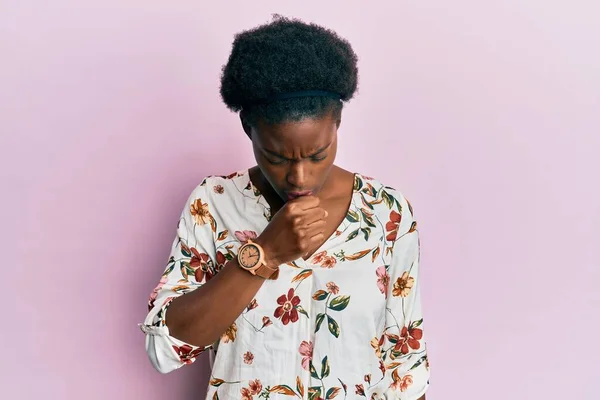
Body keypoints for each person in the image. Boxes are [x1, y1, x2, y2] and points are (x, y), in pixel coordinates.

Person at [140, 16, 430, 400]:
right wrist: (265, 253)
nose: (299, 177)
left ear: (338, 123)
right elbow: (165, 350)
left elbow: (405, 364)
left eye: (318, 154)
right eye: (276, 157)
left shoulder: (386, 213)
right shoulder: (214, 204)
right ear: (248, 128)